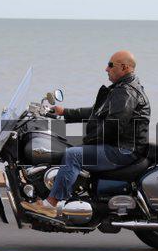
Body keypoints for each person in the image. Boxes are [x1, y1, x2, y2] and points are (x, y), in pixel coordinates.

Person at [21, 50, 150, 217]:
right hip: (122, 146)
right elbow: (98, 112)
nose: (106, 69)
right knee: (75, 150)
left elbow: (113, 126)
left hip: (123, 150)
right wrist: (64, 112)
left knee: (73, 154)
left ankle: (51, 203)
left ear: (124, 67)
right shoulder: (123, 88)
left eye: (110, 65)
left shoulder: (126, 92)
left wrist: (89, 141)